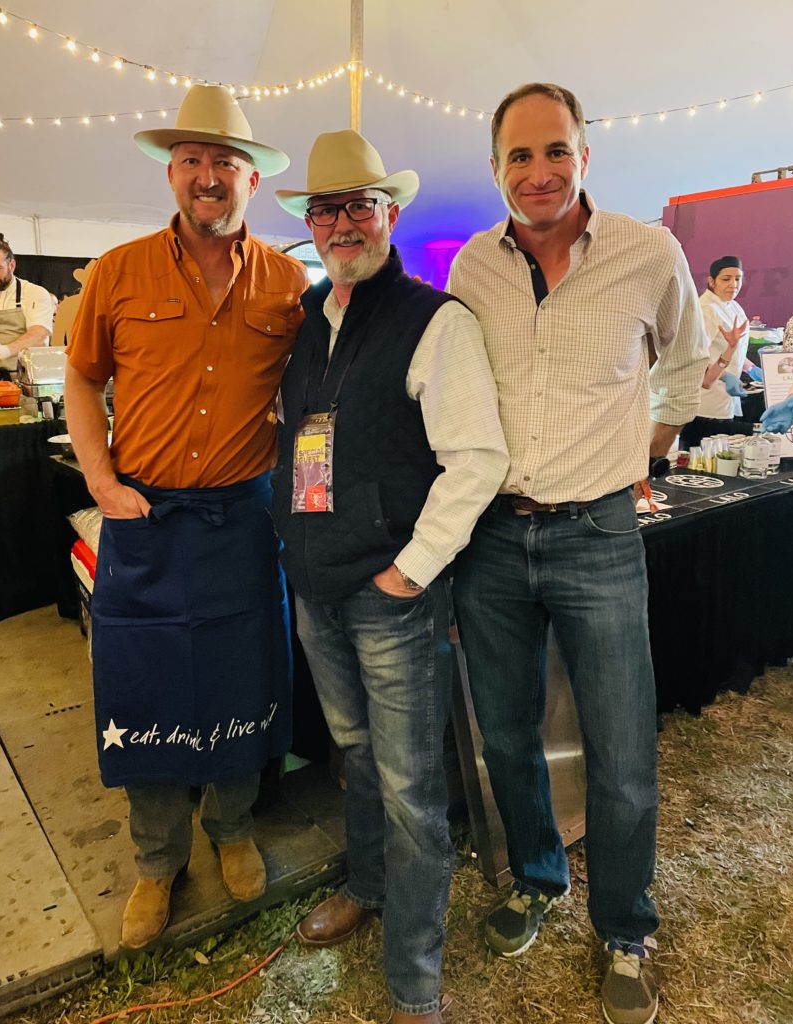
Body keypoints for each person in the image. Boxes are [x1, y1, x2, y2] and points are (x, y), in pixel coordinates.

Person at [446, 82, 709, 1024]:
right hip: (488, 537)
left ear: (585, 156)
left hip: (598, 532)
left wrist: (652, 447)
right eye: (519, 156)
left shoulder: (649, 253)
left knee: (622, 744)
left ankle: (626, 927)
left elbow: (687, 359)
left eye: (555, 150)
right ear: (496, 171)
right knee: (507, 733)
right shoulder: (472, 267)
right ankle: (536, 878)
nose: (539, 171)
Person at [272, 130, 509, 1024]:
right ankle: (367, 888)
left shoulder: (434, 320)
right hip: (317, 586)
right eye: (324, 209)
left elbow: (477, 460)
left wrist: (408, 574)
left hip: (390, 596)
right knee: (360, 758)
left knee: (411, 790)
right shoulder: (306, 322)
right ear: (310, 222)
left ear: (390, 214)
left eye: (358, 205)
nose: (340, 223)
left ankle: (414, 976)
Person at [64, 84, 307, 951]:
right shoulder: (117, 271)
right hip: (145, 514)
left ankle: (232, 827)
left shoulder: (287, 281)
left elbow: (316, 401)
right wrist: (99, 476)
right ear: (173, 172)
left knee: (245, 675)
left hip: (243, 518)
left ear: (251, 180)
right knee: (146, 685)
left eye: (227, 164)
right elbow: (84, 378)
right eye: (195, 161)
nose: (210, 178)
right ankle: (158, 859)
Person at [679, 256, 761, 448]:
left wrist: (752, 369)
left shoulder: (732, 305)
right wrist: (725, 376)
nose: (733, 284)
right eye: (726, 279)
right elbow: (696, 355)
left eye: (738, 278)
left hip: (725, 398)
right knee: (702, 453)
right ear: (711, 281)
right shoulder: (706, 309)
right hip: (705, 400)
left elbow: (735, 347)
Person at [0, 234, 53, 380]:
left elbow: (39, 334)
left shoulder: (35, 293)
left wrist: (7, 350)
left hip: (29, 379)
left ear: (11, 265)